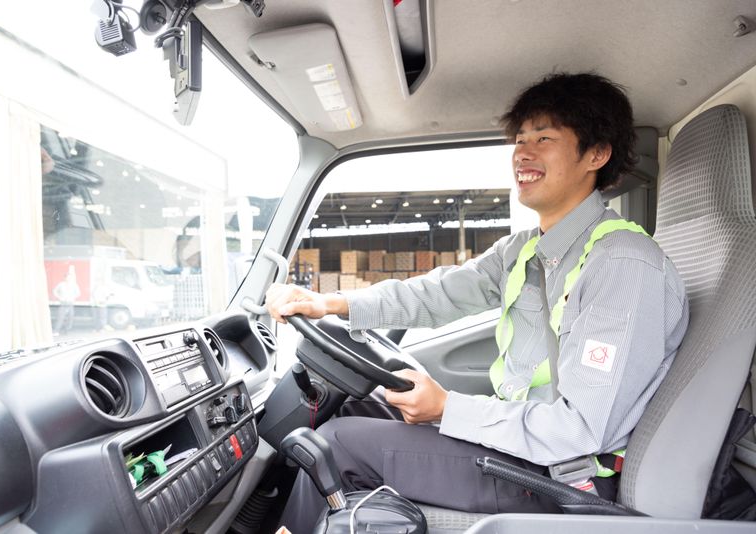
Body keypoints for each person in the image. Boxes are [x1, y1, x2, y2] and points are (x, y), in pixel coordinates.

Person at [267, 73, 690, 530]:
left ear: (597, 154)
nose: (522, 153)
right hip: (521, 449)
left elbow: (580, 430)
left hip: (562, 478)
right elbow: (437, 293)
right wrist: (330, 304)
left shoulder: (624, 264)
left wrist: (448, 408)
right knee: (357, 405)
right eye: (520, 139)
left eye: (543, 138)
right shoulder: (525, 249)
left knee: (336, 443)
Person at [53, 265, 81, 335]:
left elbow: (78, 293)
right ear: (65, 278)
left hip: (70, 303)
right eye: (67, 277)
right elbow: (54, 291)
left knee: (70, 317)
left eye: (69, 277)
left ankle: (66, 330)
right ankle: (56, 331)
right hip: (63, 303)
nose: (68, 278)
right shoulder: (61, 284)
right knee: (60, 317)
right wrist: (59, 297)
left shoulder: (74, 285)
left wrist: (73, 297)